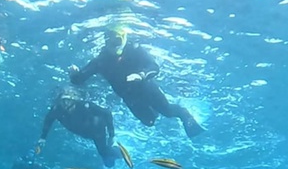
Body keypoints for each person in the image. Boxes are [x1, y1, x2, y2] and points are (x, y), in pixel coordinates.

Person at [69, 27, 204, 138]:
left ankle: (184, 113)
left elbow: (154, 67)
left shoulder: (134, 50)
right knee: (149, 122)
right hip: (130, 98)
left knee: (168, 111)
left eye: (118, 40)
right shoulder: (100, 61)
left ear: (124, 39)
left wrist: (141, 75)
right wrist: (74, 75)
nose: (115, 45)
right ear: (105, 41)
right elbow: (79, 80)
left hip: (147, 88)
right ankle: (155, 111)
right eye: (111, 41)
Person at [37, 87, 120, 168]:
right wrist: (43, 137)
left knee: (106, 157)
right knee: (105, 155)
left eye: (69, 101)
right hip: (85, 133)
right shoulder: (56, 109)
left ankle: (119, 151)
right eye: (64, 102)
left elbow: (107, 113)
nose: (66, 105)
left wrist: (111, 135)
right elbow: (48, 120)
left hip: (97, 132)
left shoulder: (84, 105)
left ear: (75, 101)